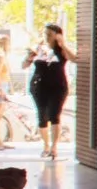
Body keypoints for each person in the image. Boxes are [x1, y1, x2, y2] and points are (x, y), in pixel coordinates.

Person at [28, 22, 74, 160]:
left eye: (50, 34)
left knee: (54, 115)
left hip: (57, 87)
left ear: (57, 36)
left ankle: (54, 147)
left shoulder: (62, 50)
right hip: (39, 86)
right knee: (42, 115)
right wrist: (30, 56)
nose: (46, 37)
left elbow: (74, 58)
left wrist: (62, 43)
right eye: (45, 33)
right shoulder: (38, 49)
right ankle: (46, 145)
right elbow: (24, 64)